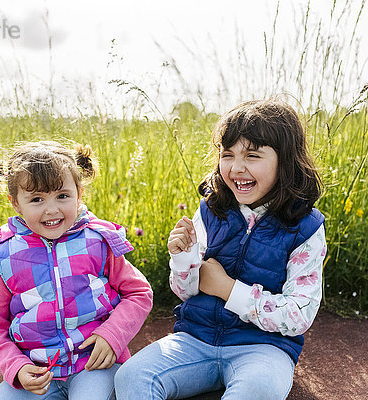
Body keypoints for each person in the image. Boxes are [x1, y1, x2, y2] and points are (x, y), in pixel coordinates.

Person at [115, 99, 326, 399]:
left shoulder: (306, 228)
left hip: (264, 348)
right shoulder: (211, 210)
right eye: (228, 155)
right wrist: (183, 258)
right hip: (195, 338)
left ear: (285, 161)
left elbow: (297, 315)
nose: (237, 168)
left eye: (252, 155)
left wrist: (227, 288)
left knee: (258, 390)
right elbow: (186, 291)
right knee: (132, 377)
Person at [0, 141, 153, 400]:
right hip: (38, 373)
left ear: (79, 193)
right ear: (15, 203)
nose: (52, 209)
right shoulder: (4, 258)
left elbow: (139, 293)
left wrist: (112, 336)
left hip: (94, 366)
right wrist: (17, 367)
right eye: (36, 199)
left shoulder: (98, 241)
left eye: (62, 195)